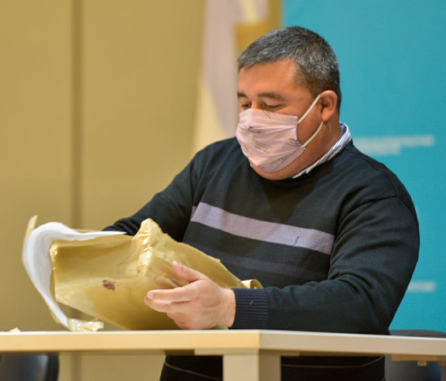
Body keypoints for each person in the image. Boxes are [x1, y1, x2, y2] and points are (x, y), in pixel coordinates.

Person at [105, 26, 419, 381]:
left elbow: (359, 304)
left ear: (326, 106)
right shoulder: (214, 164)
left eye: (270, 106)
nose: (252, 120)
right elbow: (138, 235)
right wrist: (75, 250)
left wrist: (231, 306)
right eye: (244, 104)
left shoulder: (374, 195)